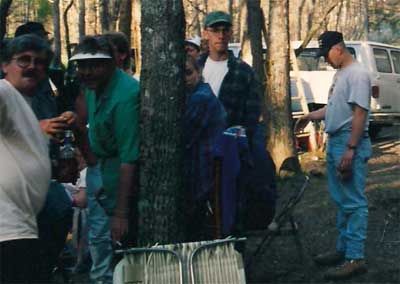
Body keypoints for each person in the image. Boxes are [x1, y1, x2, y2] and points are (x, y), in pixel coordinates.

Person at [295, 31, 372, 280]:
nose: (325, 60)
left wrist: (350, 149)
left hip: (349, 142)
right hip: (337, 142)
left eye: (326, 54)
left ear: (338, 48)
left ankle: (355, 257)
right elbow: (335, 108)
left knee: (354, 202)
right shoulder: (341, 74)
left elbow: (360, 113)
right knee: (342, 201)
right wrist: (309, 116)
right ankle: (343, 250)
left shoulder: (358, 74)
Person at [199, 11, 276, 233]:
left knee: (230, 206)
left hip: (230, 152)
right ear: (206, 33)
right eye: (215, 30)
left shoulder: (243, 71)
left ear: (231, 32)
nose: (220, 35)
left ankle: (233, 252)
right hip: (198, 150)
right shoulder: (195, 67)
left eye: (225, 30)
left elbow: (251, 117)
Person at [71, 35, 140, 284]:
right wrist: (89, 162)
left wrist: (120, 213)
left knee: (120, 243)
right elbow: (84, 121)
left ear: (112, 63)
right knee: (98, 238)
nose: (87, 72)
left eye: (95, 65)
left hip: (119, 176)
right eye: (82, 65)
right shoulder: (91, 86)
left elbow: (128, 157)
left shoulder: (126, 95)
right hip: (98, 168)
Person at [0, 34, 52, 283]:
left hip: (23, 226)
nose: (32, 66)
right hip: (7, 230)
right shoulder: (5, 92)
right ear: (5, 65)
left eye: (39, 62)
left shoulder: (28, 104)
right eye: (23, 60)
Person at [183, 56, 226, 241]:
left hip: (202, 172)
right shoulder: (195, 95)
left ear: (199, 72)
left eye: (188, 72)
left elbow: (183, 138)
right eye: (180, 74)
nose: (184, 78)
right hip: (199, 169)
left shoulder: (201, 98)